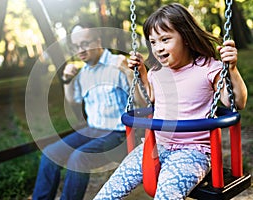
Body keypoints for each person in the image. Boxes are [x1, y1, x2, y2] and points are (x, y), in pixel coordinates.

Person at [94, 3, 247, 200]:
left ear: (186, 37)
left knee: (166, 196)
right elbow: (148, 99)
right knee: (108, 192)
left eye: (165, 39)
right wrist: (141, 73)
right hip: (157, 146)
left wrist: (232, 69)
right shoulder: (157, 72)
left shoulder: (210, 68)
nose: (158, 48)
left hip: (193, 152)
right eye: (153, 42)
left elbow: (237, 101)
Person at [32, 22, 145, 200]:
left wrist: (130, 75)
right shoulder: (83, 73)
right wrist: (67, 80)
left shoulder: (118, 64)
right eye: (76, 46)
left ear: (98, 40)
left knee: (78, 158)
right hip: (93, 129)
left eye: (85, 43)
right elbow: (73, 101)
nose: (81, 50)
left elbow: (142, 102)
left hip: (118, 134)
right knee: (50, 154)